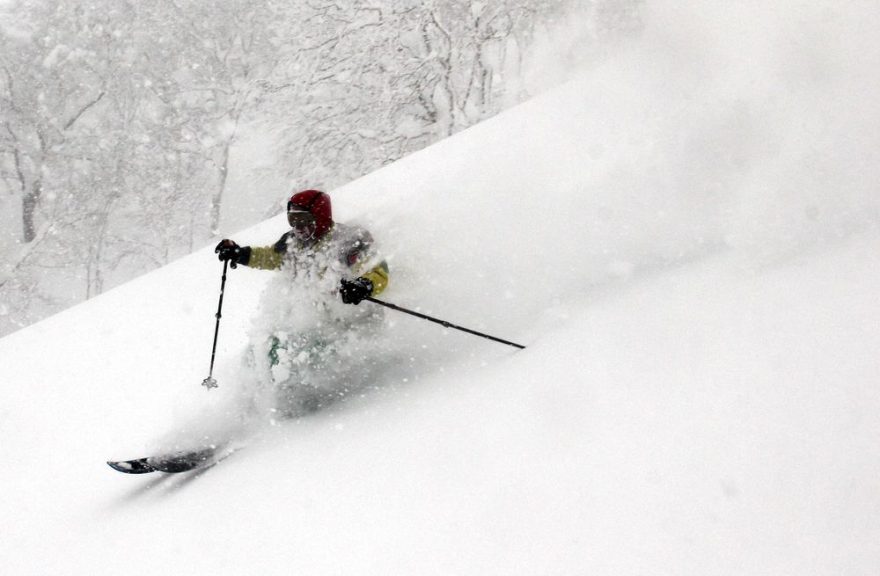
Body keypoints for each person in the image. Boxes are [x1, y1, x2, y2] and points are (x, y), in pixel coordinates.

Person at [215, 189, 390, 415]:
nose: (298, 226)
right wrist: (241, 254)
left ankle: (296, 409)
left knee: (299, 355)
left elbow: (379, 270)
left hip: (351, 325)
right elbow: (272, 257)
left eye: (304, 220)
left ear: (321, 216)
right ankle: (249, 410)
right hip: (318, 324)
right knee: (259, 350)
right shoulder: (293, 242)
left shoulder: (349, 241)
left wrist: (363, 285)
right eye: (292, 220)